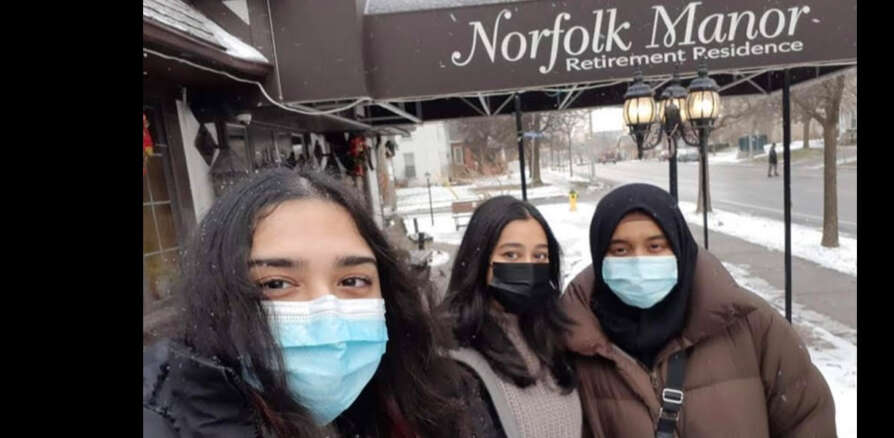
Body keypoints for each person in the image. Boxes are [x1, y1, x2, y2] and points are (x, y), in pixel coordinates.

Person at [142, 168, 468, 437]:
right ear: (216, 297)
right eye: (276, 284)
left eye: (352, 281)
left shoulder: (403, 405)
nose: (328, 315)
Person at [560, 183, 835, 437]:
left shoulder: (751, 326)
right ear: (599, 255)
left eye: (655, 246)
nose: (639, 262)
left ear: (680, 247)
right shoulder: (575, 341)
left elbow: (807, 419)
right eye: (620, 250)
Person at [439, 195, 583, 438]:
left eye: (539, 256)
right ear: (479, 261)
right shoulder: (455, 360)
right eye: (511, 255)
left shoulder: (554, 339)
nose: (528, 267)